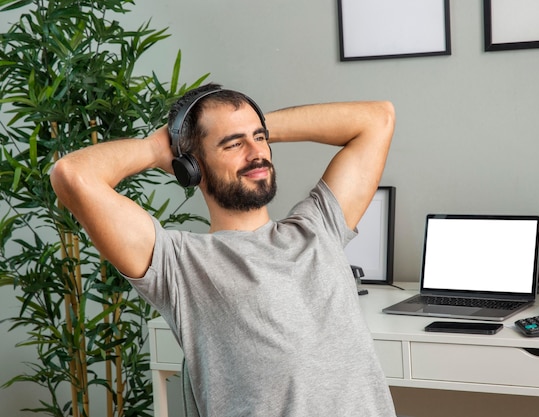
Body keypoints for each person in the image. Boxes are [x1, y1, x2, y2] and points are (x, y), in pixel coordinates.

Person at [51, 82, 396, 417]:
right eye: (232, 145)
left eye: (260, 139)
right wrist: (161, 147)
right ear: (192, 166)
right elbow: (72, 175)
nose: (256, 152)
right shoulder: (179, 264)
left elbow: (377, 118)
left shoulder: (319, 226)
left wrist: (248, 126)